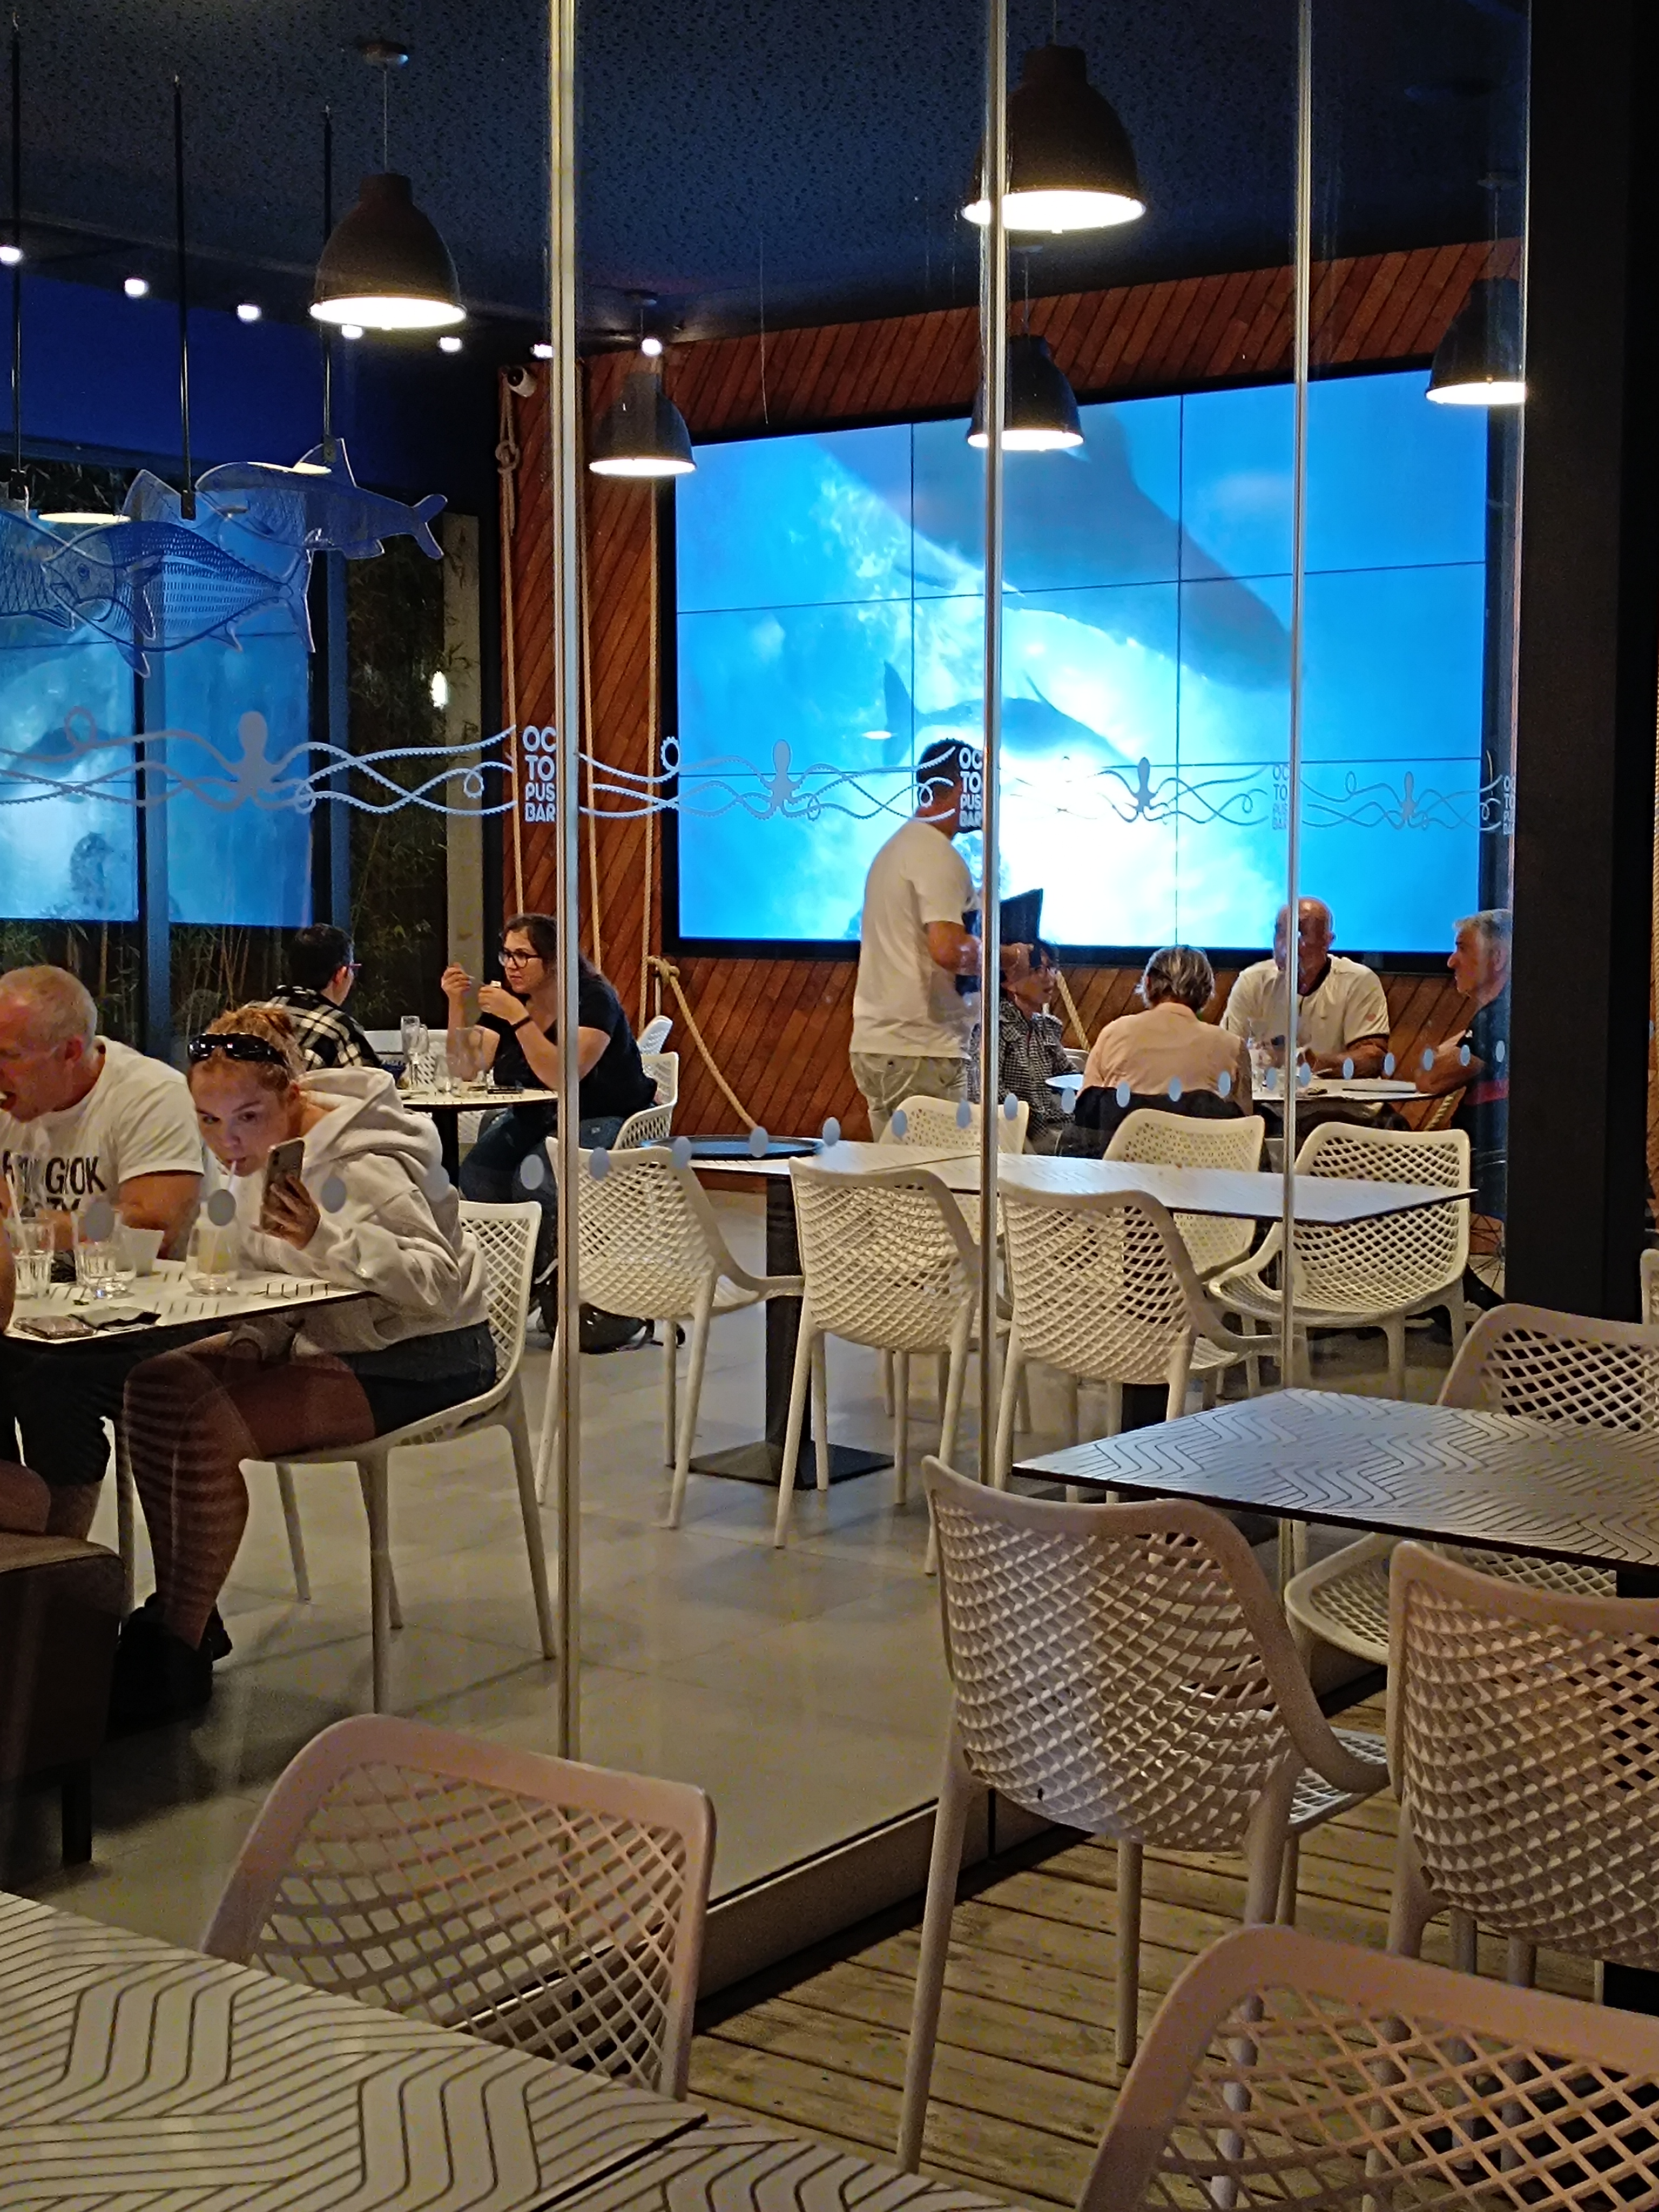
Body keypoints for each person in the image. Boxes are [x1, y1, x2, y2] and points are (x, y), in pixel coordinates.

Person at [112, 1004, 495, 1728]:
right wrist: (253, 1342)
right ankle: (186, 1612)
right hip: (327, 1337)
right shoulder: (252, 1158)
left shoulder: (363, 1161)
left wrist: (327, 1236)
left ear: (292, 1096)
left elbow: (438, 1285)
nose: (227, 1142)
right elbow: (273, 1277)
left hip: (425, 1352)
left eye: (248, 1118)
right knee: (154, 1385)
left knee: (206, 1428)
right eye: (208, 1121)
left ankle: (173, 1653)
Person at [0, 967, 204, 1535]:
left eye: (8, 1056)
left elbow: (153, 1225)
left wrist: (28, 1233)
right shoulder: (11, 1107)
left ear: (70, 1051)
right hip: (37, 1307)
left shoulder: (149, 1095)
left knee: (50, 1380)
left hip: (155, 1314)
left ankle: (64, 1563)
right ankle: (18, 1547)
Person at [442, 913, 655, 1217]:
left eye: (522, 956)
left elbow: (563, 1077)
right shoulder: (514, 998)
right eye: (507, 955)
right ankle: (518, 1242)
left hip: (601, 1114)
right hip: (538, 1116)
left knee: (533, 1184)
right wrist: (456, 1004)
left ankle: (555, 1246)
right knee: (478, 1175)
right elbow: (465, 1069)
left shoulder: (592, 999)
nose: (511, 965)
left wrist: (517, 1017)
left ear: (555, 961)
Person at [849, 739, 982, 1137]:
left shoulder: (896, 849)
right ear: (963, 788)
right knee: (940, 1172)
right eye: (983, 788)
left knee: (897, 1171)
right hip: (920, 1048)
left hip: (882, 1046)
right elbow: (948, 949)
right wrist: (1007, 957)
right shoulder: (936, 854)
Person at [1220, 899, 1391, 1076]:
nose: (1286, 946)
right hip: (1268, 1093)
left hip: (1339, 1093)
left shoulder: (1359, 982)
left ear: (1327, 941)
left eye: (1300, 934)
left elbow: (1373, 1057)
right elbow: (1226, 1049)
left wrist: (1313, 1064)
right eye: (1280, 933)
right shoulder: (1253, 980)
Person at [1415, 907, 1512, 1216]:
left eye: (1462, 948)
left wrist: (1454, 1045)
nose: (1451, 961)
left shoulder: (1499, 1018)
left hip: (1486, 1162)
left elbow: (1429, 1079)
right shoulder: (1500, 1014)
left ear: (1497, 958)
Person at [1082, 945, 1250, 1109]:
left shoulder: (1114, 1033)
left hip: (1125, 1129)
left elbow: (1086, 1107)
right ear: (1207, 991)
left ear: (1148, 983)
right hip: (1201, 1129)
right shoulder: (1232, 1046)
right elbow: (1246, 1119)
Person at [969, 941, 1074, 1153]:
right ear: (1008, 982)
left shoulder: (1046, 1026)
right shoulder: (992, 1026)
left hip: (1058, 1131)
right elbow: (983, 1090)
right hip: (1015, 1137)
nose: (1049, 977)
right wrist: (1030, 1116)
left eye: (1051, 968)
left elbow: (1068, 1076)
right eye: (1038, 970)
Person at [268, 923, 382, 1071]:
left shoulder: (250, 1015)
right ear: (341, 974)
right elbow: (373, 1084)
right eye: (353, 969)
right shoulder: (339, 1030)